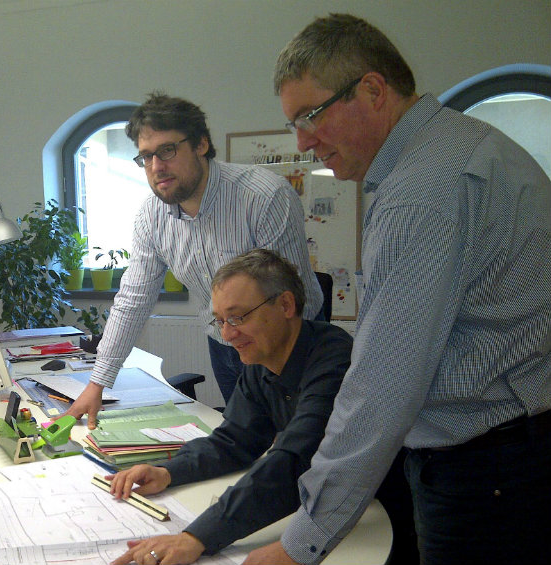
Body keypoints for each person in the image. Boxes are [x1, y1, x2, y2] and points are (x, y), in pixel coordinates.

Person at [242, 14, 551, 565]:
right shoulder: (463, 145)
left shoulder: (421, 194)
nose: (303, 141)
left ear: (373, 90)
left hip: (488, 469)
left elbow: (384, 387)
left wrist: (299, 544)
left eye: (310, 116)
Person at [104, 250, 414, 565]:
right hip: (336, 514)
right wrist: (168, 471)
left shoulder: (335, 359)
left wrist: (197, 537)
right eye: (221, 321)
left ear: (286, 305)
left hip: (388, 516)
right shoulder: (261, 360)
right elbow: (235, 440)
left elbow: (294, 461)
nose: (227, 334)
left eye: (238, 317)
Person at [64, 92, 323, 427]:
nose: (157, 167)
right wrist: (97, 384)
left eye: (167, 151)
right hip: (225, 344)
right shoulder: (151, 217)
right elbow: (134, 299)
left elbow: (288, 303)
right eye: (145, 157)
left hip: (288, 342)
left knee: (292, 448)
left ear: (201, 144)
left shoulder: (264, 197)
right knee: (247, 442)